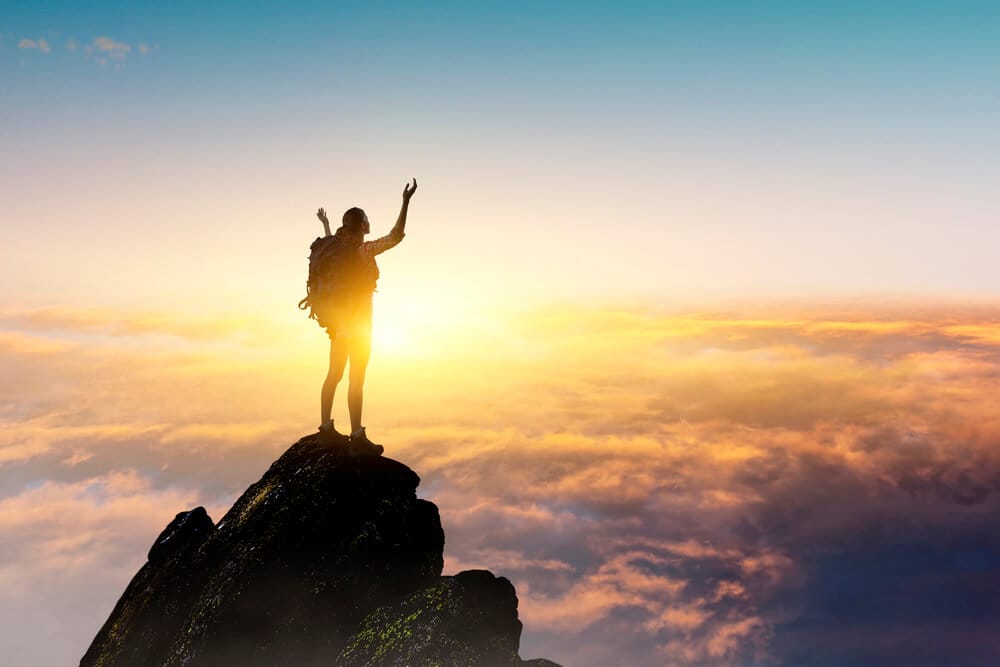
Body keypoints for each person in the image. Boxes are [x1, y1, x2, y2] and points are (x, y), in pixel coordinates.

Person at [314, 178, 417, 454]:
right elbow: (395, 236)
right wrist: (406, 201)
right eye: (367, 220)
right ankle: (357, 437)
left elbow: (325, 241)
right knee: (356, 379)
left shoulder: (336, 246)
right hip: (359, 326)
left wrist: (325, 224)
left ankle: (325, 428)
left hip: (338, 326)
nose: (369, 222)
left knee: (333, 374)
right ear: (361, 225)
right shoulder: (364, 250)